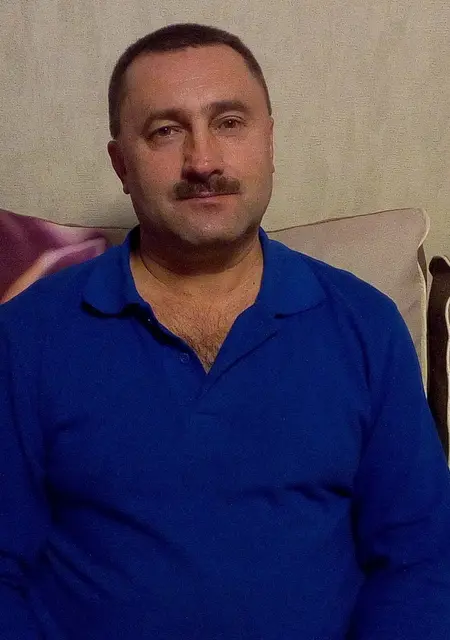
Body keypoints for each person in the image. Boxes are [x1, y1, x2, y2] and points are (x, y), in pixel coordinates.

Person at [0, 22, 449, 640]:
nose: (203, 161)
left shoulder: (364, 324)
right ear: (121, 164)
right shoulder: (28, 335)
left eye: (229, 122)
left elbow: (422, 559)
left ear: (269, 140)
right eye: (165, 131)